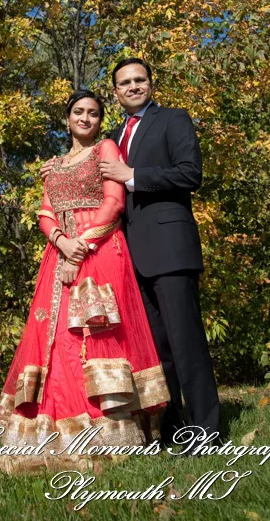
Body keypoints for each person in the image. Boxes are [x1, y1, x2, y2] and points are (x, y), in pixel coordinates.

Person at [0, 89, 169, 474]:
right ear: (67, 118)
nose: (85, 118)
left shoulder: (106, 149)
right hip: (60, 254)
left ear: (99, 121)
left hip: (101, 251)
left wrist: (81, 248)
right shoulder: (53, 165)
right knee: (55, 343)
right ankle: (51, 430)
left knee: (96, 336)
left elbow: (114, 203)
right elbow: (45, 211)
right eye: (78, 112)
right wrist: (62, 243)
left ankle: (109, 432)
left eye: (92, 113)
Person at [98, 57, 220, 442]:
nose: (133, 87)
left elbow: (190, 173)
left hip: (171, 249)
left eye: (139, 80)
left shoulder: (173, 119)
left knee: (186, 344)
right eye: (125, 83)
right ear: (115, 93)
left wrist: (132, 176)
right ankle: (172, 429)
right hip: (131, 256)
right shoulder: (114, 138)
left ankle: (207, 432)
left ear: (151, 83)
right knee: (157, 350)